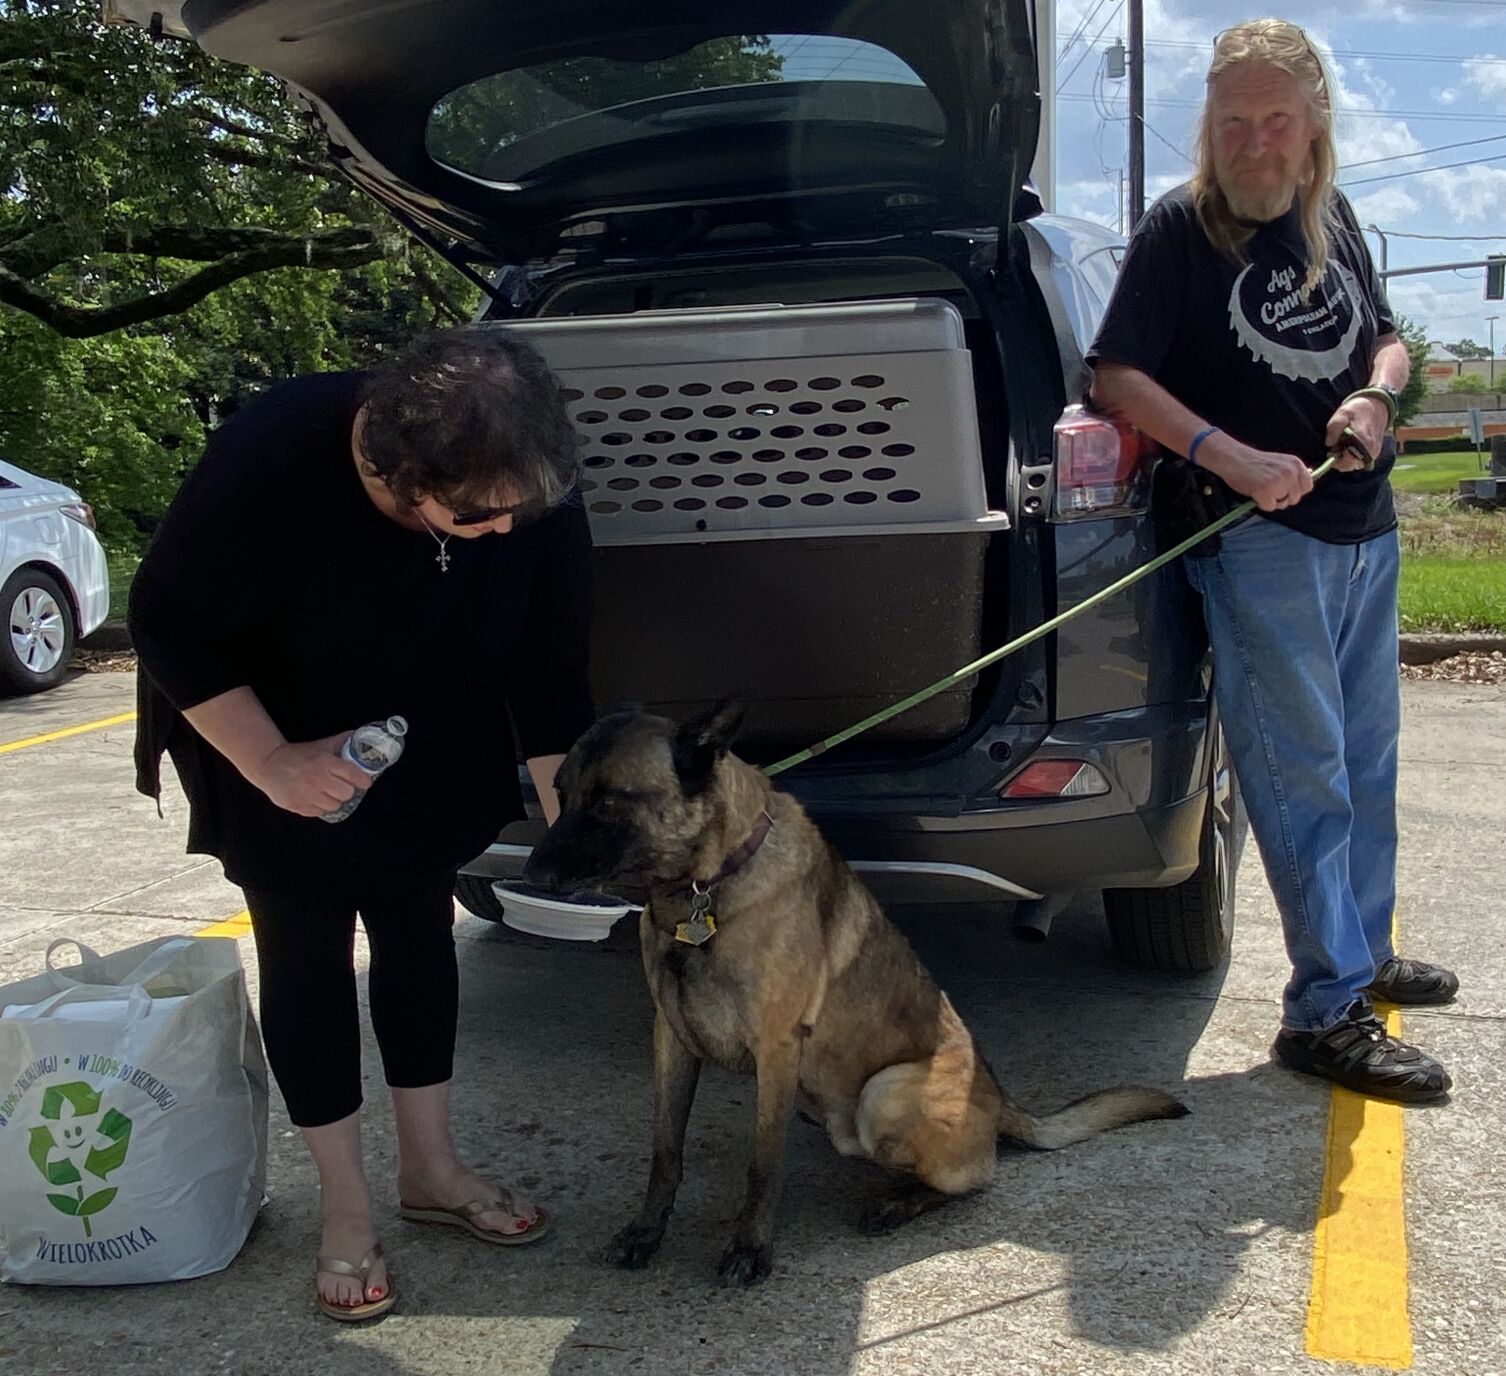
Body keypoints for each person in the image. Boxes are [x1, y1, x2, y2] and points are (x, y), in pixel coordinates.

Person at [129, 329, 594, 1319]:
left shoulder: (523, 478)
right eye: (476, 515)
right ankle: (345, 1204)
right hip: (271, 720)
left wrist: (581, 831)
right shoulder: (272, 455)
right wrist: (271, 761)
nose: (505, 531)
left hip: (428, 723)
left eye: (524, 508)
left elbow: (552, 674)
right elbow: (167, 615)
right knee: (305, 948)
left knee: (421, 924)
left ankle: (431, 1170)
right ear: (395, 472)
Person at [1088, 19, 1457, 1104]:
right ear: (1211, 126)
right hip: (1258, 540)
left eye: (1274, 119)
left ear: (1313, 125)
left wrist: (1378, 393)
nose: (1253, 140)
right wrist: (1227, 455)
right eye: (1233, 120)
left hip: (1362, 528)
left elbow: (1388, 335)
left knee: (1367, 766)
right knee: (1301, 780)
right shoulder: (1178, 232)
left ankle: (1365, 949)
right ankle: (1325, 1009)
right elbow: (1115, 373)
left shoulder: (1328, 214)